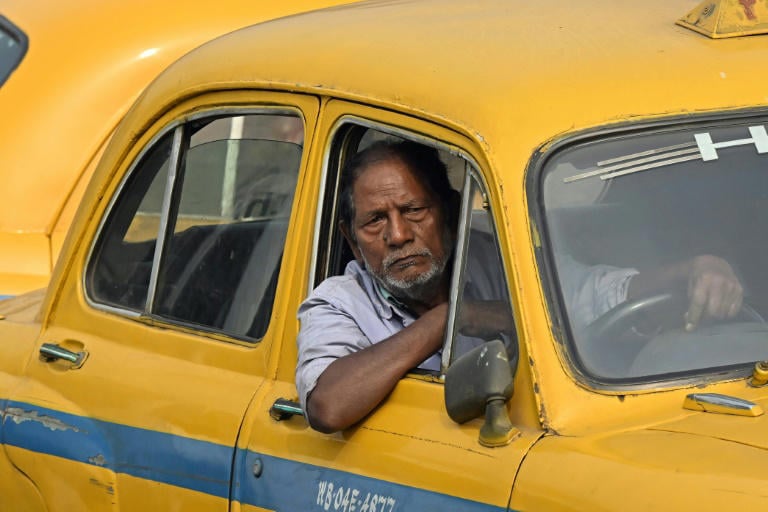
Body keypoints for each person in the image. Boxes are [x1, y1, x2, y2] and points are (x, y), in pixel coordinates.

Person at [295, 140, 743, 433]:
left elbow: (595, 292)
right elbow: (329, 406)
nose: (397, 235)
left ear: (449, 213)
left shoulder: (497, 256)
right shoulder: (339, 303)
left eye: (413, 211)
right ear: (352, 240)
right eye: (375, 221)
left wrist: (693, 271)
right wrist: (450, 319)